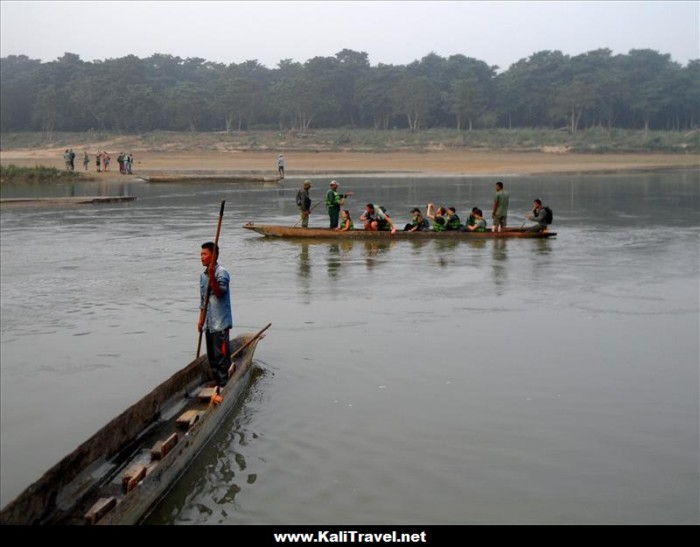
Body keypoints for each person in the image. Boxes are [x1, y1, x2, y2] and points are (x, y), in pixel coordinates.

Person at [198, 241, 233, 388]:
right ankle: (216, 381)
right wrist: (200, 321)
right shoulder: (203, 276)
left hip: (220, 323)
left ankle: (224, 385)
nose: (201, 257)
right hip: (209, 324)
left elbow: (219, 293)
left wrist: (213, 276)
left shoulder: (221, 272)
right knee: (212, 357)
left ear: (214, 256)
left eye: (205, 254)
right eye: (201, 254)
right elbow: (203, 301)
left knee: (221, 358)